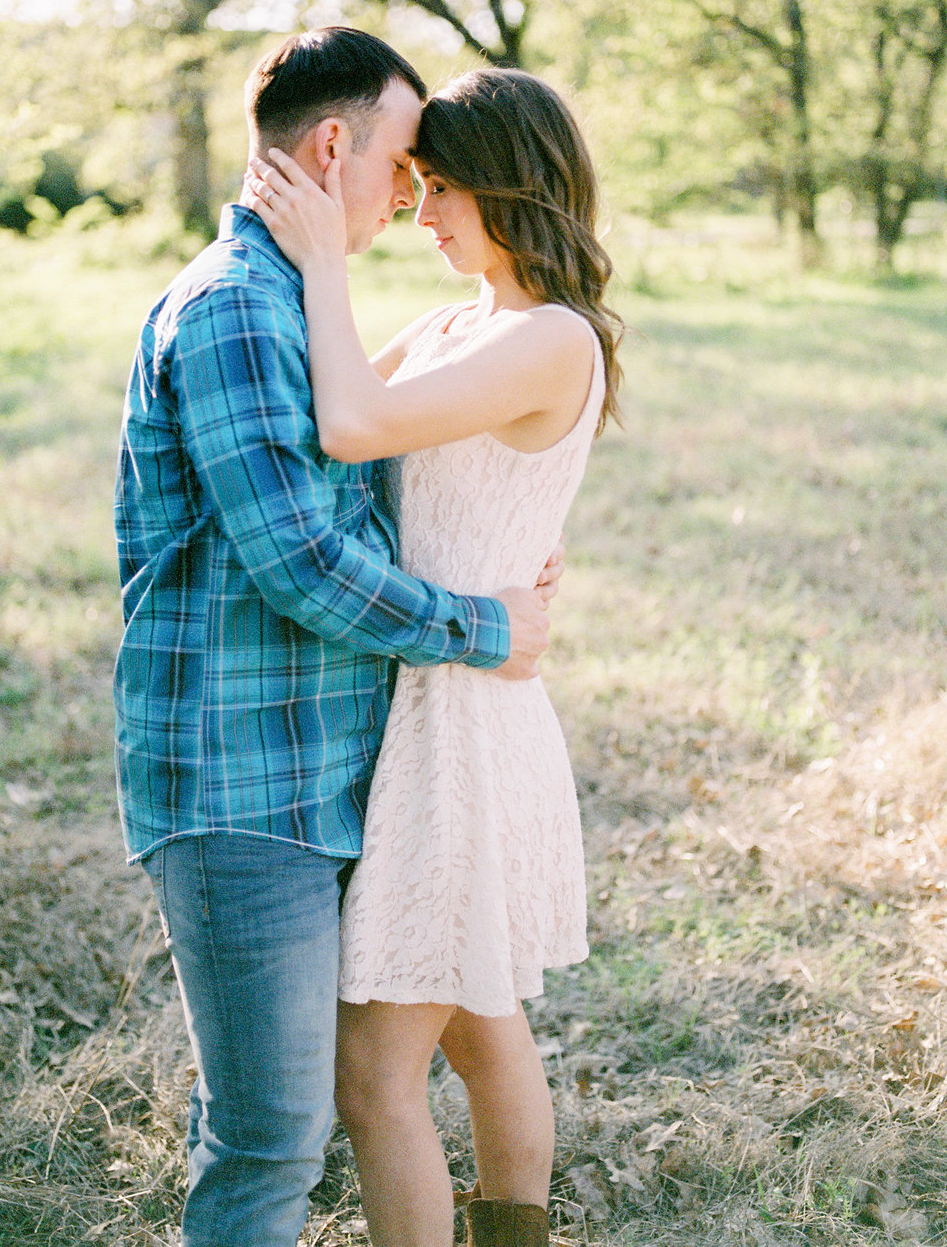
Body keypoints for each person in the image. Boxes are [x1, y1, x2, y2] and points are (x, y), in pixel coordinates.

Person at [113, 28, 561, 1247]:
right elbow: (305, 560)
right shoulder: (238, 311)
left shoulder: (288, 300)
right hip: (245, 781)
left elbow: (371, 471)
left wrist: (501, 551)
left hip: (333, 768)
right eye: (404, 164)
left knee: (413, 1050)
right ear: (330, 148)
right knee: (269, 1137)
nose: (412, 197)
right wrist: (484, 620)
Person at [245, 65, 623, 1247]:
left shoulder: (550, 337)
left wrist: (323, 260)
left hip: (463, 719)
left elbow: (358, 421)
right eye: (414, 182)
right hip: (432, 694)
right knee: (476, 1018)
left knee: (373, 1070)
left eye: (444, 185)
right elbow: (330, 407)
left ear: (516, 183)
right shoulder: (467, 321)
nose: (421, 210)